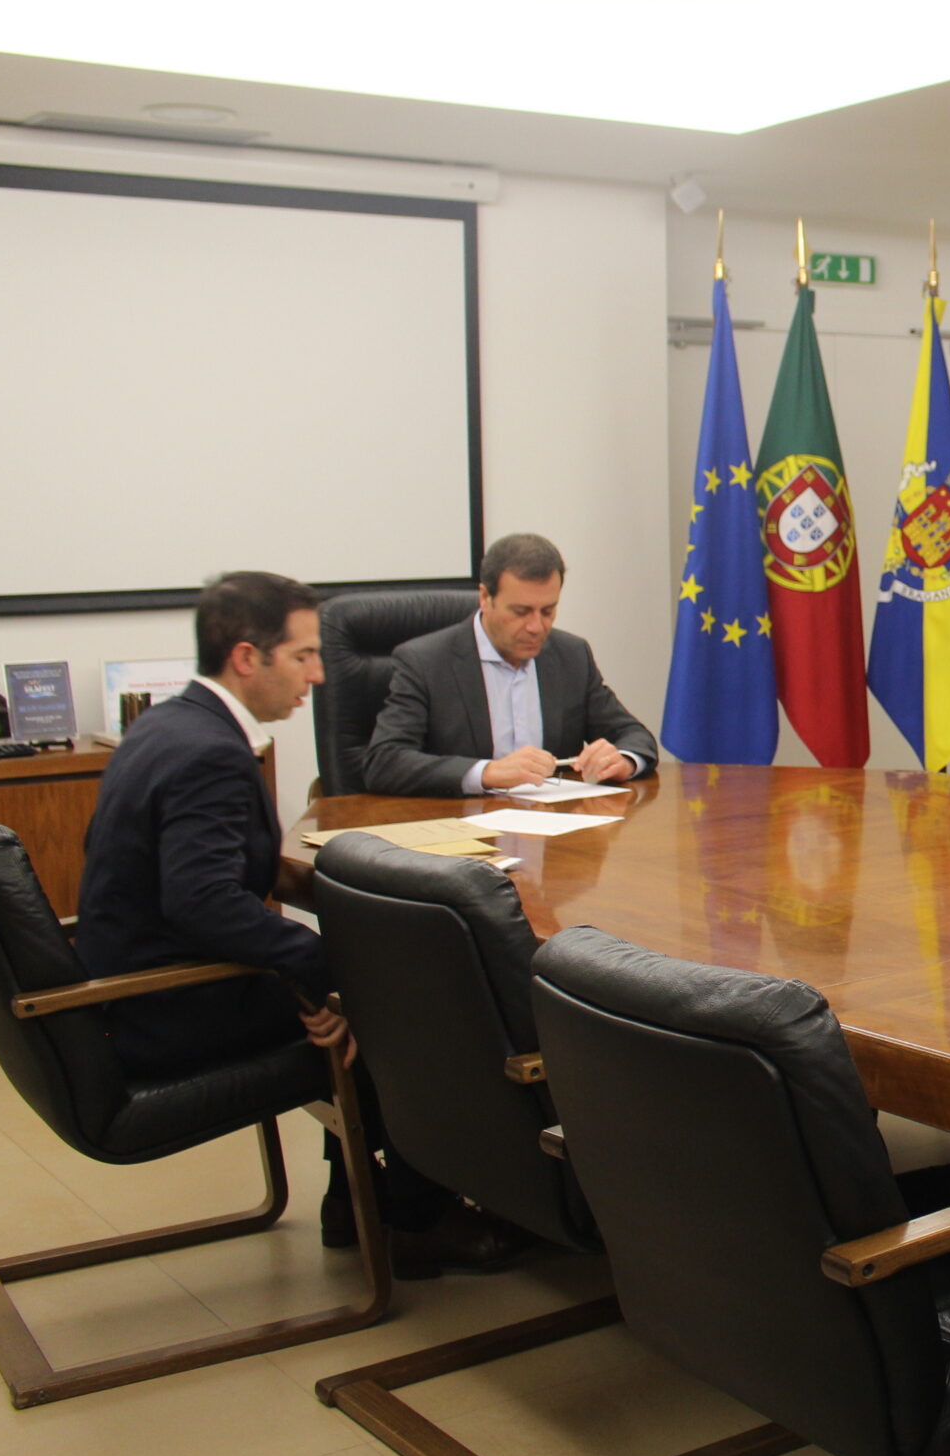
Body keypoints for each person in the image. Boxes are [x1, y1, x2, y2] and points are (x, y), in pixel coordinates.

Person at [76, 571, 529, 1273]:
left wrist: (348, 903)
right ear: (247, 658)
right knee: (410, 1010)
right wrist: (324, 977)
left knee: (372, 992)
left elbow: (234, 875)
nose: (319, 674)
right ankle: (416, 1221)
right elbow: (203, 902)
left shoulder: (171, 724)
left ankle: (355, 1201)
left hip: (137, 980)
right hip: (168, 1007)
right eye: (303, 656)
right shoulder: (211, 754)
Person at [362, 533, 658, 796]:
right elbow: (385, 761)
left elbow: (635, 736)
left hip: (557, 834)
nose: (536, 627)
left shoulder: (571, 655)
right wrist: (487, 774)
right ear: (485, 598)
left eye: (548, 611)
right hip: (461, 835)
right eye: (520, 611)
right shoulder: (425, 661)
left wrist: (622, 760)